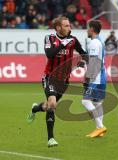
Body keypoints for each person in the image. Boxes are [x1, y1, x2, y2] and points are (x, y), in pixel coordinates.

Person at [27, 16, 87, 147]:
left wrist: (82, 61)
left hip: (64, 81)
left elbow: (84, 53)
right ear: (58, 27)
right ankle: (50, 138)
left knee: (49, 106)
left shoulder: (73, 40)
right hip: (50, 77)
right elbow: (49, 53)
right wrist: (63, 43)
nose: (69, 28)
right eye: (66, 26)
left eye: (69, 25)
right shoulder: (50, 38)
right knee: (53, 105)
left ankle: (35, 108)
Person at [81, 20, 107, 138]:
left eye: (88, 28)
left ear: (91, 29)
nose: (87, 30)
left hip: (96, 76)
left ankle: (100, 126)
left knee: (85, 101)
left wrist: (87, 77)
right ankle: (99, 130)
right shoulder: (100, 41)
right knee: (97, 103)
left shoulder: (95, 43)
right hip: (102, 75)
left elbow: (94, 62)